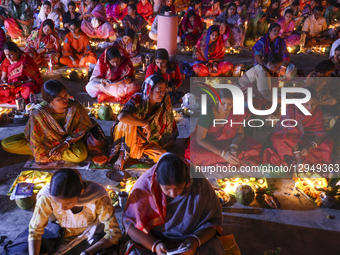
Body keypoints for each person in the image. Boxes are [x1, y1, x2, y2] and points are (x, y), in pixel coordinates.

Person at [120, 152, 225, 255]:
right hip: (154, 238)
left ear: (187, 179)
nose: (173, 193)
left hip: (191, 237)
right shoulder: (145, 187)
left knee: (213, 250)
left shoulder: (198, 182)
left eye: (178, 188)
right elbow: (130, 225)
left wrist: (195, 241)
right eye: (167, 189)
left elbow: (213, 222)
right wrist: (155, 245)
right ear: (157, 179)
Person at [28, 168, 121, 254]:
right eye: (57, 202)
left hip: (91, 233)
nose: (61, 208)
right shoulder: (47, 197)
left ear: (81, 192)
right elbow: (35, 231)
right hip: (60, 234)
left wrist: (87, 252)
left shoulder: (98, 198)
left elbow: (114, 233)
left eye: (68, 203)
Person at [1, 80, 93, 163]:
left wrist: (64, 145)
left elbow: (82, 128)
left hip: (68, 140)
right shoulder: (39, 112)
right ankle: (52, 153)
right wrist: (39, 153)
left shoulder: (75, 107)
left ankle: (51, 153)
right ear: (50, 101)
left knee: (80, 155)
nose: (65, 99)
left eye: (65, 95)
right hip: (44, 140)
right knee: (7, 144)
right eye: (59, 98)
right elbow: (35, 137)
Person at [110, 75, 178, 171]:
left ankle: (135, 153)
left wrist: (164, 142)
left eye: (164, 90)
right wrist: (144, 124)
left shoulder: (164, 101)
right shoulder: (137, 99)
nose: (162, 93)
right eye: (159, 91)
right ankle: (122, 154)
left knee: (161, 155)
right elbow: (121, 117)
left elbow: (167, 123)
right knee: (127, 121)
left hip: (145, 141)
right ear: (149, 91)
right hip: (126, 137)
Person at [185, 89, 262, 167]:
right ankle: (229, 159)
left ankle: (229, 158)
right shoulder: (207, 112)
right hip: (210, 143)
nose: (226, 107)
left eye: (230, 104)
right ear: (217, 100)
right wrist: (223, 154)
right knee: (194, 154)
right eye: (223, 103)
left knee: (256, 146)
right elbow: (200, 139)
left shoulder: (236, 111)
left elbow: (240, 133)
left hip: (229, 141)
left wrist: (234, 146)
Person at [263, 87, 334, 167]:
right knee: (280, 142)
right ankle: (298, 159)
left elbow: (320, 132)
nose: (310, 107)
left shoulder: (316, 110)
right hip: (288, 137)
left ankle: (300, 158)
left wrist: (311, 146)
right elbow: (290, 134)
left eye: (313, 104)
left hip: (306, 138)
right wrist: (298, 157)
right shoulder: (291, 109)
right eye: (306, 104)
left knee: (328, 144)